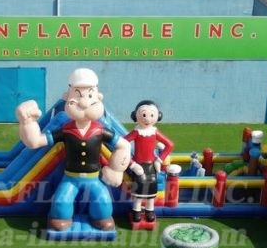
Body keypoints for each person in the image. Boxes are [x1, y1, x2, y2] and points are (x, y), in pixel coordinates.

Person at [16, 68, 130, 231]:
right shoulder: (66, 130)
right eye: (77, 96)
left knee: (103, 202)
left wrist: (116, 169)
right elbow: (35, 142)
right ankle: (60, 218)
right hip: (70, 177)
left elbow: (124, 145)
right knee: (61, 202)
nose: (84, 103)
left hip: (94, 178)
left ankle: (101, 218)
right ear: (67, 97)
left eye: (89, 96)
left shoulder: (100, 131)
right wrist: (28, 123)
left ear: (98, 97)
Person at [124, 100, 173, 223]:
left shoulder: (154, 132)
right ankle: (136, 210)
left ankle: (149, 210)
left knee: (151, 188)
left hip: (151, 165)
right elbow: (121, 144)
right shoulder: (136, 132)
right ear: (136, 116)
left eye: (152, 115)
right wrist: (132, 164)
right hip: (138, 165)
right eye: (144, 115)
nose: (147, 119)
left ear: (158, 116)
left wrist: (159, 160)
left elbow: (169, 145)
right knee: (138, 189)